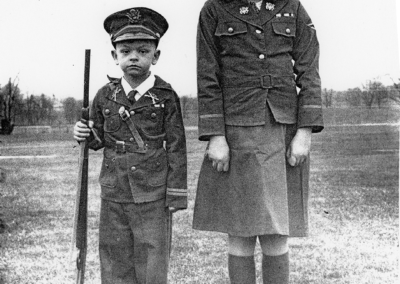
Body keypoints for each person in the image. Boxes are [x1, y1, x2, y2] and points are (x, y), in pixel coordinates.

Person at [192, 0, 323, 283]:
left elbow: (309, 71)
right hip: (236, 132)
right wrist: (216, 135)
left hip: (283, 133)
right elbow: (207, 76)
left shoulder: (292, 6)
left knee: (277, 232)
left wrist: (305, 131)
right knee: (240, 232)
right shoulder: (214, 9)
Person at [73, 7, 187, 284]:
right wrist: (83, 133)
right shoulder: (105, 95)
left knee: (151, 260)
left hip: (152, 191)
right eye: (125, 51)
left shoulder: (166, 96)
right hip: (114, 189)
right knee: (114, 259)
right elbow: (98, 140)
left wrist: (175, 194)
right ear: (115, 56)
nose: (133, 56)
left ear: (155, 56)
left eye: (143, 50)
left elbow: (176, 146)